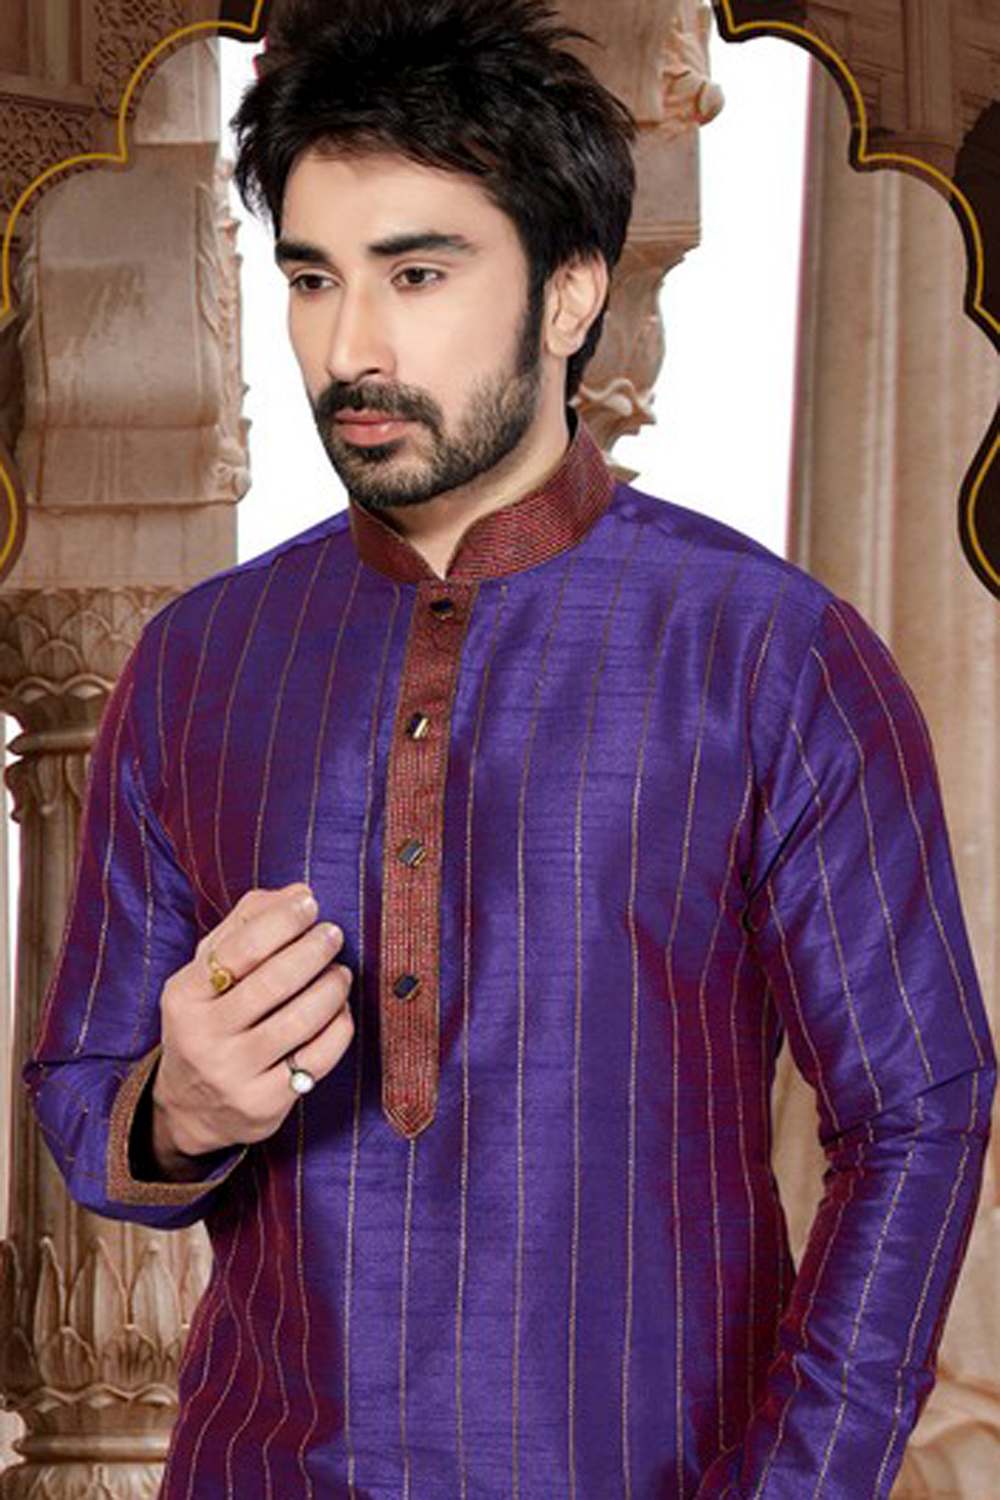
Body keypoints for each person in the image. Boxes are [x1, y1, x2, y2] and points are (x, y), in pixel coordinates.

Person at [25, 1, 995, 1496]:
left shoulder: (770, 654)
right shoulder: (200, 662)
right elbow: (85, 1092)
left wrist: (800, 1486)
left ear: (569, 294)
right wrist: (180, 1110)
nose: (352, 345)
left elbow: (919, 1113)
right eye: (313, 278)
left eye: (418, 273)